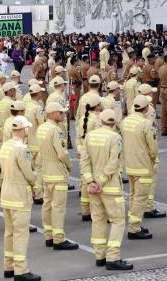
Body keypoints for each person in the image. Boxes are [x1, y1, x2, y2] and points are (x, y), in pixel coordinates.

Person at [83, 109, 133, 270]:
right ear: (114, 122)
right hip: (110, 186)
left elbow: (84, 161)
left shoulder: (90, 136)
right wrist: (101, 181)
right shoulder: (115, 137)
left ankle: (100, 256)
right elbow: (113, 163)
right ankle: (113, 257)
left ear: (101, 120)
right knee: (118, 220)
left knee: (98, 220)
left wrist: (90, 181)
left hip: (93, 186)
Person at [0, 115, 40, 281]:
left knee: (9, 232)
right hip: (19, 195)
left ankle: (9, 266)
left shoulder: (6, 145)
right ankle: (21, 270)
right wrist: (36, 181)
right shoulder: (22, 149)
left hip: (6, 193)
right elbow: (28, 173)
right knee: (21, 233)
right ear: (24, 130)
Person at [36, 102, 76, 250]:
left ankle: (48, 236)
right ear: (52, 114)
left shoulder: (42, 128)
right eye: (60, 112)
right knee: (58, 207)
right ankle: (58, 238)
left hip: (46, 172)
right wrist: (69, 165)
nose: (63, 115)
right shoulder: (55, 130)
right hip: (57, 172)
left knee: (47, 205)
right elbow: (62, 153)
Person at [122, 95, 158, 241]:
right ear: (146, 107)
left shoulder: (126, 121)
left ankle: (134, 222)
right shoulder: (146, 123)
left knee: (133, 195)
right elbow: (153, 148)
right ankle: (134, 228)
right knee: (141, 198)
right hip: (142, 165)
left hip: (130, 164)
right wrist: (153, 160)